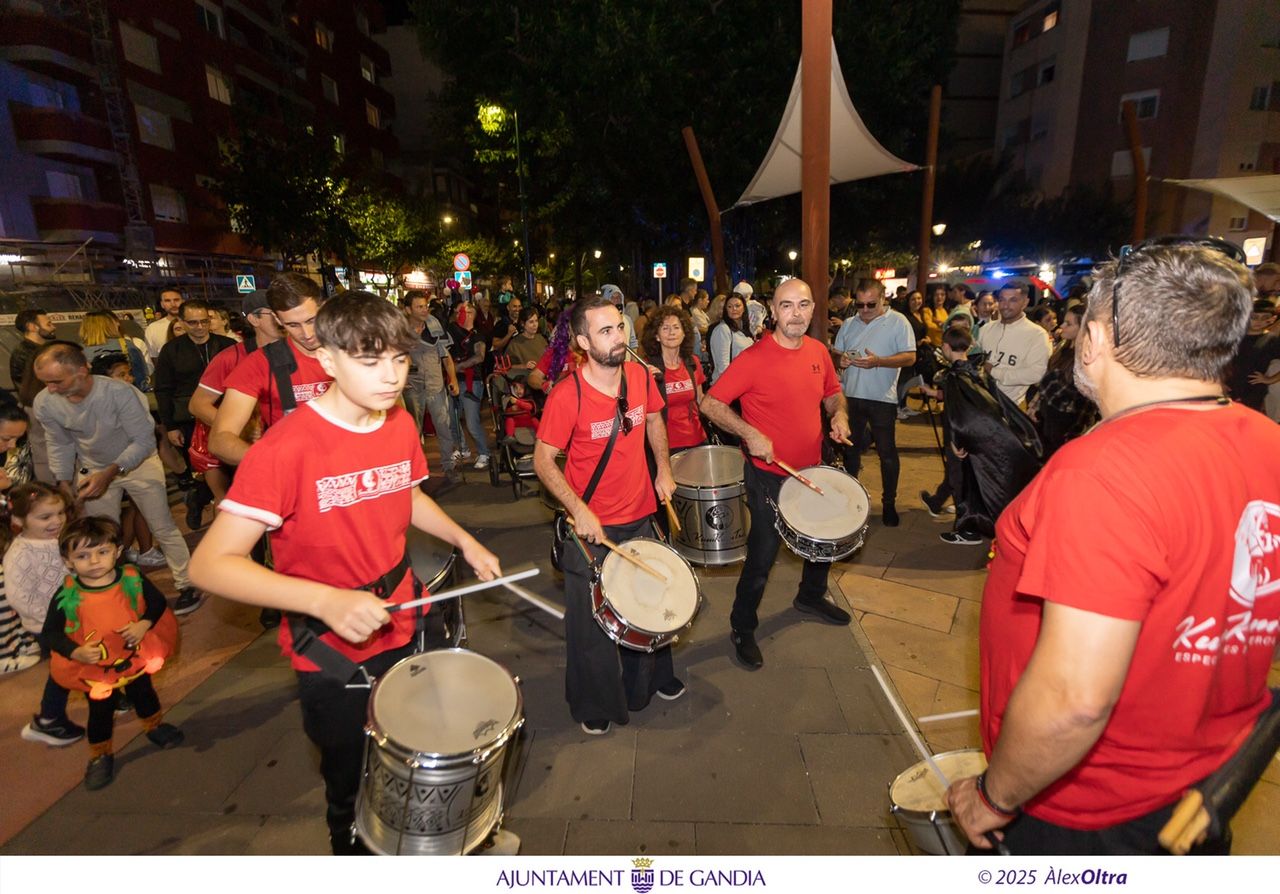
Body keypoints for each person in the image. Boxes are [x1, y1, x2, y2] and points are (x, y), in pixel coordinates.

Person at [946, 238, 1280, 855]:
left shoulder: (1101, 473)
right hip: (1199, 782)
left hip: (1085, 810)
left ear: (1096, 340)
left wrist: (994, 797)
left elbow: (1074, 699)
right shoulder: (1267, 441)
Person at [189, 291, 506, 855]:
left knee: (411, 756)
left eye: (399, 360)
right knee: (352, 781)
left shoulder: (399, 422)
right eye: (369, 361)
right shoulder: (283, 449)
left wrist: (465, 539)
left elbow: (405, 495)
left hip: (404, 617)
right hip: (333, 647)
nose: (390, 376)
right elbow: (210, 564)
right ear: (328, 360)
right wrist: (326, 602)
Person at [533, 296, 681, 735]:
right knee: (591, 623)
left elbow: (654, 420)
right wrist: (577, 509)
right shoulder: (567, 394)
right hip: (591, 527)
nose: (618, 337)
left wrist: (664, 470)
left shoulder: (638, 376)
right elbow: (543, 460)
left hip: (640, 513)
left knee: (650, 604)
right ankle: (595, 701)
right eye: (605, 331)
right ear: (582, 341)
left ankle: (652, 682)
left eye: (619, 327)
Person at [700, 279, 853, 670]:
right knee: (764, 555)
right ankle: (742, 625)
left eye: (803, 305)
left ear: (814, 307)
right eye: (787, 306)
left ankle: (811, 595)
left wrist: (839, 415)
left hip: (812, 469)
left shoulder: (819, 351)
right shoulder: (754, 358)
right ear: (773, 308)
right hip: (768, 475)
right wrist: (750, 433)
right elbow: (711, 403)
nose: (796, 313)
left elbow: (833, 393)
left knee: (822, 541)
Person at [32, 342, 200, 615]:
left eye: (56, 381)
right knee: (101, 535)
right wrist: (64, 483)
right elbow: (60, 443)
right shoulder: (46, 402)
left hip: (139, 464)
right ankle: (115, 591)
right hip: (93, 468)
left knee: (162, 526)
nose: (51, 389)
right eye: (46, 382)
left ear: (82, 370)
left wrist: (110, 473)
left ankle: (187, 583)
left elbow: (144, 441)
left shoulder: (120, 393)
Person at [48, 516, 183, 789]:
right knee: (100, 711)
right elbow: (50, 633)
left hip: (134, 657)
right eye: (83, 555)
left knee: (144, 692)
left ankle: (154, 725)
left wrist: (144, 624)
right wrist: (75, 652)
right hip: (97, 669)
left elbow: (156, 602)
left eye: (102, 552)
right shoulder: (68, 594)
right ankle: (100, 754)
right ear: (68, 561)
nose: (94, 561)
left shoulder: (131, 579)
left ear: (118, 551)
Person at [209, 273, 333, 467]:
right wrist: (273, 460)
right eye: (293, 325)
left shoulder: (351, 350)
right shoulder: (261, 363)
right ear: (277, 318)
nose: (307, 334)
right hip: (295, 472)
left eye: (311, 320)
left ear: (323, 308)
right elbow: (220, 439)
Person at [833, 279, 917, 526]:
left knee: (887, 452)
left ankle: (889, 503)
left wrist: (879, 361)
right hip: (851, 396)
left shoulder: (898, 322)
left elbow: (910, 357)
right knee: (851, 451)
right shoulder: (849, 324)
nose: (865, 310)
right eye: (860, 305)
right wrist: (841, 361)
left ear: (883, 299)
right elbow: (837, 353)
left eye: (871, 304)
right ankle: (851, 501)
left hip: (883, 398)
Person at [154, 300, 236, 530]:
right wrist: (170, 426)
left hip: (228, 416)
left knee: (229, 469)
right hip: (188, 421)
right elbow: (163, 389)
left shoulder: (228, 345)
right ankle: (202, 501)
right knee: (205, 469)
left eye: (204, 321)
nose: (200, 327)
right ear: (181, 322)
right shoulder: (172, 350)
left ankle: (200, 500)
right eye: (193, 322)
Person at [401, 290, 460, 483]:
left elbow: (446, 358)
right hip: (412, 387)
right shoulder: (399, 331)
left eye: (425, 305)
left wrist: (453, 379)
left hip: (436, 385)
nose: (425, 309)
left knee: (444, 427)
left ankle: (449, 467)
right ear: (408, 309)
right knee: (413, 431)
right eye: (419, 307)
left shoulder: (434, 326)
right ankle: (417, 472)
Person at [1026, 306, 1097, 457]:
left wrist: (1074, 434)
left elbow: (1086, 403)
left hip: (1066, 426)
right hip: (1047, 420)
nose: (1062, 326)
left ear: (1083, 328)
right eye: (1064, 322)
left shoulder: (1088, 358)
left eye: (1068, 323)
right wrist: (1034, 407)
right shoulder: (1062, 349)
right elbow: (1045, 384)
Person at [642, 305, 708, 451]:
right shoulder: (647, 368)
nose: (671, 332)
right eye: (665, 328)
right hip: (665, 447)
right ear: (656, 336)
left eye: (676, 327)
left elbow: (700, 398)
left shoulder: (692, 362)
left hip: (697, 440)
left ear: (684, 333)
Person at [977, 281, 1052, 405]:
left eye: (1013, 300)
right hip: (980, 402)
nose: (1005, 305)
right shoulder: (985, 329)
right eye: (1002, 300)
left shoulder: (1037, 335)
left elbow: (1036, 374)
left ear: (1025, 303)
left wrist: (995, 372)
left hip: (1011, 407)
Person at [447, 301, 492, 470]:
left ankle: (483, 452)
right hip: (453, 380)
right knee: (452, 417)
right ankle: (462, 448)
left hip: (472, 381)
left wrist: (458, 366)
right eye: (458, 311)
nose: (461, 314)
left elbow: (479, 356)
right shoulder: (451, 332)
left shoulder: (478, 335)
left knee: (472, 421)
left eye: (465, 311)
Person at [1225, 298, 1280, 412]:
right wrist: (1219, 381)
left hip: (1253, 389)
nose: (1258, 321)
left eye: (1264, 318)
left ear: (1272, 319)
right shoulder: (1232, 337)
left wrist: (1269, 379)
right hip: (1227, 386)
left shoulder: (1272, 340)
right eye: (1254, 317)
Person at [80, 311, 151, 391]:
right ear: (109, 326)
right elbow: (141, 376)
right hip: (125, 395)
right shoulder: (126, 345)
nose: (118, 324)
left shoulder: (78, 351)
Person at [708, 292, 753, 384]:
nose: (734, 309)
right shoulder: (723, 329)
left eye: (737, 305)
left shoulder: (745, 329)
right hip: (728, 387)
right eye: (729, 306)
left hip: (743, 384)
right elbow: (723, 367)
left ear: (744, 308)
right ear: (726, 309)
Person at [144, 289, 184, 360]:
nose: (173, 304)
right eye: (167, 301)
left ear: (183, 301)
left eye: (176, 300)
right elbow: (153, 357)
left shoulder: (195, 323)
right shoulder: (153, 328)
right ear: (162, 304)